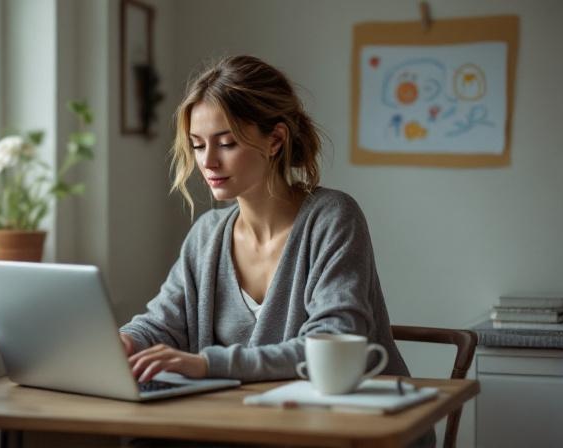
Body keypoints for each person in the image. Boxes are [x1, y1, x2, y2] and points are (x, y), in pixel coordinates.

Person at [119, 55, 411, 385]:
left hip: (351, 412)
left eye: (226, 143)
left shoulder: (333, 217)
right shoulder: (206, 235)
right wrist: (127, 341)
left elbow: (332, 341)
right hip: (246, 414)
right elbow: (161, 323)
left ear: (275, 140)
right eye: (197, 146)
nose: (208, 161)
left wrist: (207, 364)